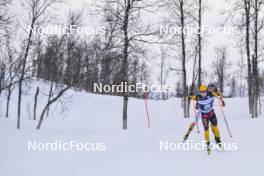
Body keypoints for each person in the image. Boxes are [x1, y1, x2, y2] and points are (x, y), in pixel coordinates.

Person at [190, 84, 225, 154]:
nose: (203, 93)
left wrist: (222, 101)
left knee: (215, 127)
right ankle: (208, 145)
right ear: (199, 92)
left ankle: (218, 142)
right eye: (201, 92)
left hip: (212, 114)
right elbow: (191, 98)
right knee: (206, 130)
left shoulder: (211, 94)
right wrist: (190, 95)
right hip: (204, 116)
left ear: (206, 91)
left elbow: (218, 95)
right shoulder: (197, 97)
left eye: (204, 92)